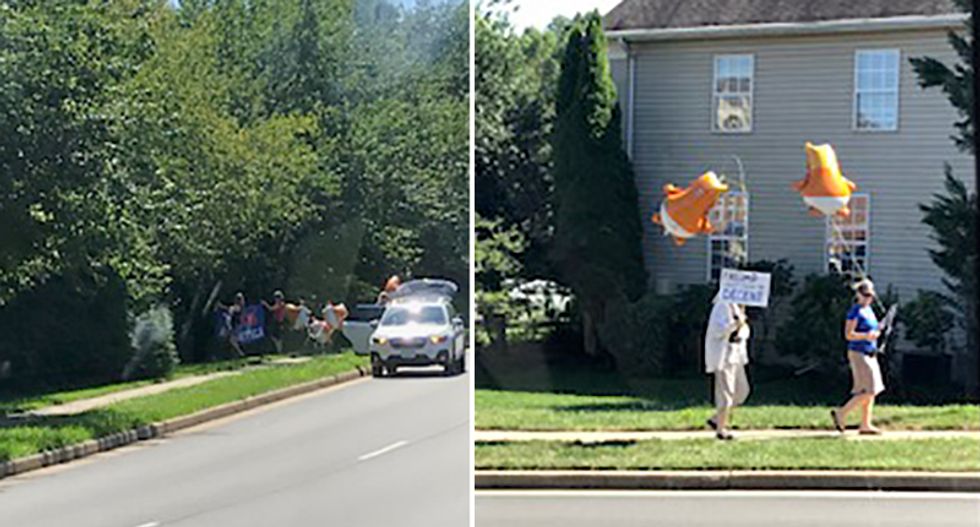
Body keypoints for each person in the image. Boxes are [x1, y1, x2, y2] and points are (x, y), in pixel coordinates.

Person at [831, 279, 884, 435]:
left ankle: (865, 424)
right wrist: (867, 336)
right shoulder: (855, 311)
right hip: (859, 354)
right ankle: (841, 413)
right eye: (865, 295)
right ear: (858, 294)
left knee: (869, 389)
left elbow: (872, 330)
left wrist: (877, 332)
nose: (868, 298)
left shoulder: (869, 311)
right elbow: (849, 334)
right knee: (870, 389)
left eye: (871, 295)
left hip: (870, 353)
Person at [704, 291, 752, 440]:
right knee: (726, 394)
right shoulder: (722, 306)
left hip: (736, 356)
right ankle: (721, 429)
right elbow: (719, 330)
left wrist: (741, 323)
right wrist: (735, 323)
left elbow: (744, 331)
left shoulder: (739, 308)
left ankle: (715, 419)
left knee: (742, 391)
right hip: (723, 356)